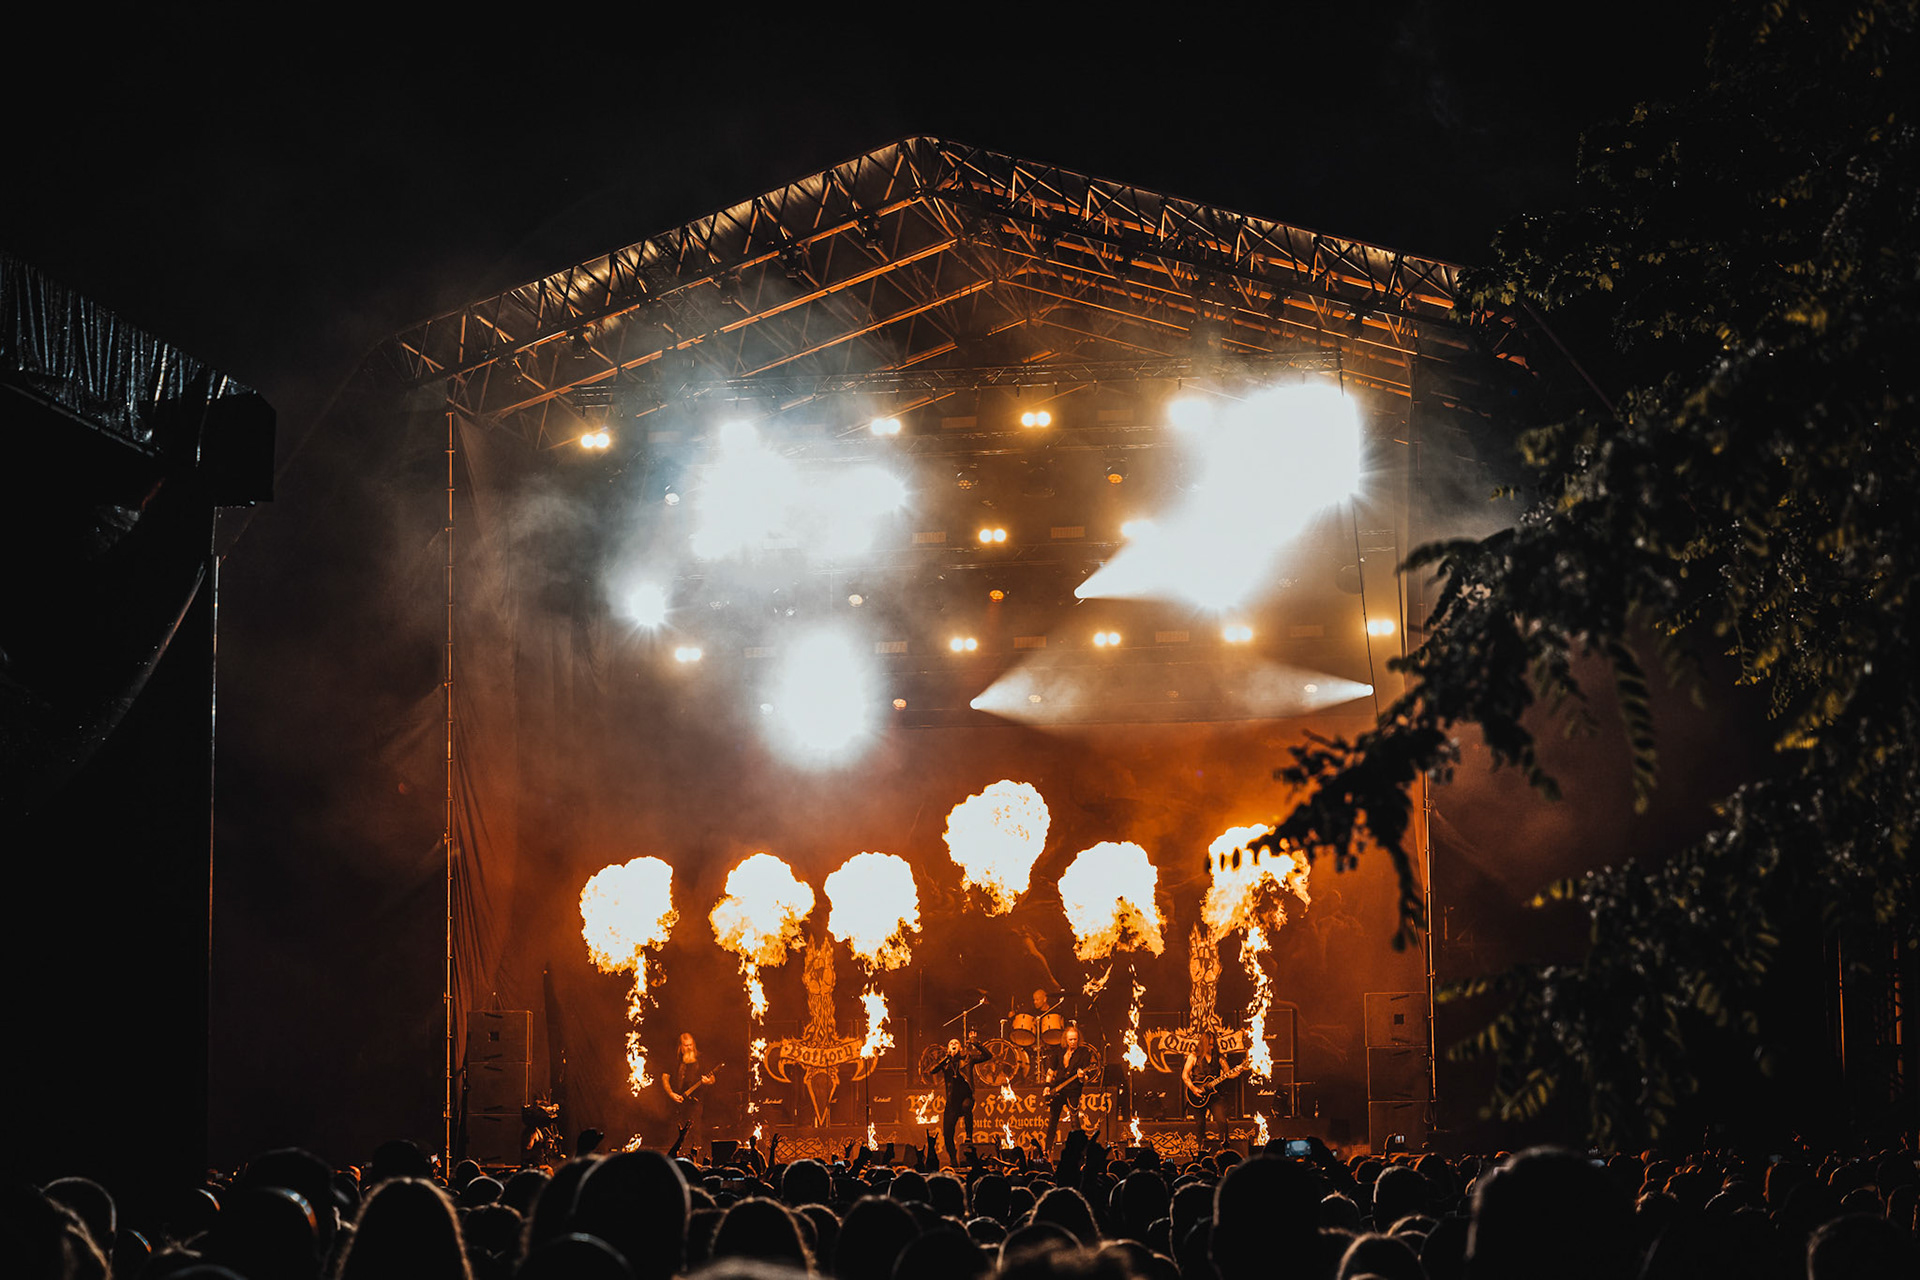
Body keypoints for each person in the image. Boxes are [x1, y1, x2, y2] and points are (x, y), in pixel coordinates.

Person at [927, 1030, 992, 1166]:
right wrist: (945, 1059)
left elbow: (988, 1056)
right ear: (948, 1048)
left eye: (956, 1043)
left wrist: (976, 1044)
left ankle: (969, 1136)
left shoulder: (968, 1058)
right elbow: (932, 1070)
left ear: (960, 1047)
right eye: (951, 1043)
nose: (953, 1044)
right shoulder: (945, 1062)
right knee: (947, 1134)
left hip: (966, 1096)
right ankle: (953, 1158)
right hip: (952, 1102)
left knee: (966, 1106)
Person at [1180, 1030, 1244, 1148]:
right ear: (1203, 1044)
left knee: (1222, 1121)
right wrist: (1193, 1088)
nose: (1212, 1047)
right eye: (1209, 1044)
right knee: (1200, 1124)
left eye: (1213, 1044)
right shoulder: (1193, 1057)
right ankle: (1201, 1149)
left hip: (1214, 1095)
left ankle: (1224, 1147)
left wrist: (1237, 1071)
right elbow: (1185, 1075)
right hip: (1197, 1095)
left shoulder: (1219, 1058)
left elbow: (1228, 1074)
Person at [1042, 1024, 1096, 1155]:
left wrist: (1082, 1077)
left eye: (1075, 1039)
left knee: (1074, 1121)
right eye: (1070, 1039)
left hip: (1073, 1090)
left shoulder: (1083, 1053)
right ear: (1065, 1040)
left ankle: (1080, 1152)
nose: (1073, 1042)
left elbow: (1086, 1077)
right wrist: (1047, 1086)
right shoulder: (1059, 1052)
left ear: (1078, 1039)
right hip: (1058, 1089)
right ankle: (1046, 1151)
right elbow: (1050, 1071)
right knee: (1053, 1121)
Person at [662, 1032, 717, 1156]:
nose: (689, 1048)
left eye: (691, 1045)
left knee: (695, 1131)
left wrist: (708, 1081)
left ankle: (696, 1157)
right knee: (676, 1134)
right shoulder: (675, 1060)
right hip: (677, 1103)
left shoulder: (701, 1059)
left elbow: (713, 1078)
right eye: (686, 1045)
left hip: (695, 1103)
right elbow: (665, 1078)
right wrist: (671, 1093)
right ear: (680, 1047)